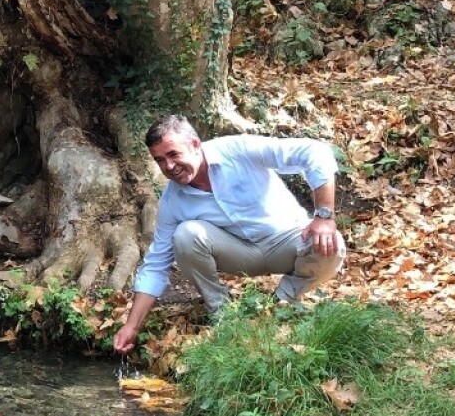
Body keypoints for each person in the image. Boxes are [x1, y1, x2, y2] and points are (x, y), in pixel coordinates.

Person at [113, 115, 345, 354]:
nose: (169, 167)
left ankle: (282, 302)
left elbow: (315, 152)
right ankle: (223, 315)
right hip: (240, 254)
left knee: (333, 243)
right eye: (160, 160)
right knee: (185, 235)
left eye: (173, 154)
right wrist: (131, 326)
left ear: (194, 144)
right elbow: (155, 264)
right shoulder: (172, 201)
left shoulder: (238, 149)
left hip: (287, 240)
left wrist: (324, 216)